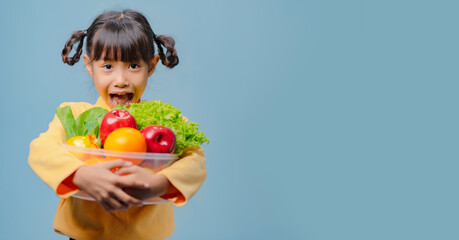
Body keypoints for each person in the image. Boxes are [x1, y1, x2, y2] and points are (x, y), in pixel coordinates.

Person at [28, 9, 207, 240]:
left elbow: (196, 161)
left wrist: (160, 184)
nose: (121, 81)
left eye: (133, 66)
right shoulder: (75, 114)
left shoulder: (165, 124)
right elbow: (42, 149)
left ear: (151, 67)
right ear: (89, 66)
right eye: (108, 66)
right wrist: (80, 175)